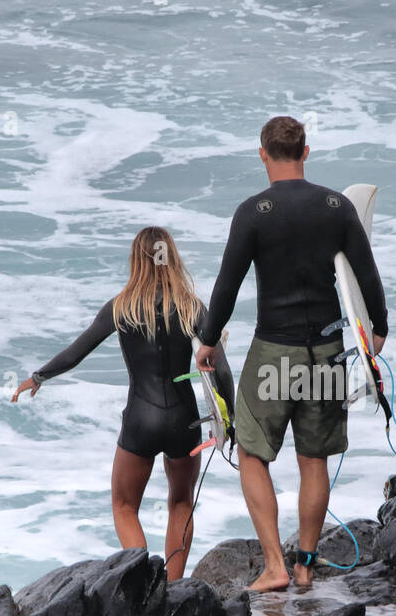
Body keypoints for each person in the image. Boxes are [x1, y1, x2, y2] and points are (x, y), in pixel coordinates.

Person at [195, 116, 388, 592]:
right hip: (327, 350)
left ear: (263, 154)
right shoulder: (335, 207)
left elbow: (228, 284)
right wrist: (378, 330)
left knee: (252, 453)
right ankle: (304, 564)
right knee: (314, 458)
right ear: (306, 152)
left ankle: (274, 567)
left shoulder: (253, 212)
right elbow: (366, 273)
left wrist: (207, 338)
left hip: (273, 352)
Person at [13, 227, 234, 581]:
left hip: (140, 420)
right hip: (184, 420)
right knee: (180, 503)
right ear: (172, 257)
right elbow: (221, 369)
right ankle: (175, 586)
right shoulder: (193, 307)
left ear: (136, 261)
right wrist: (231, 418)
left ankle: (146, 582)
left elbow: (76, 352)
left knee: (124, 506)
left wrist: (39, 377)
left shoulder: (122, 307)